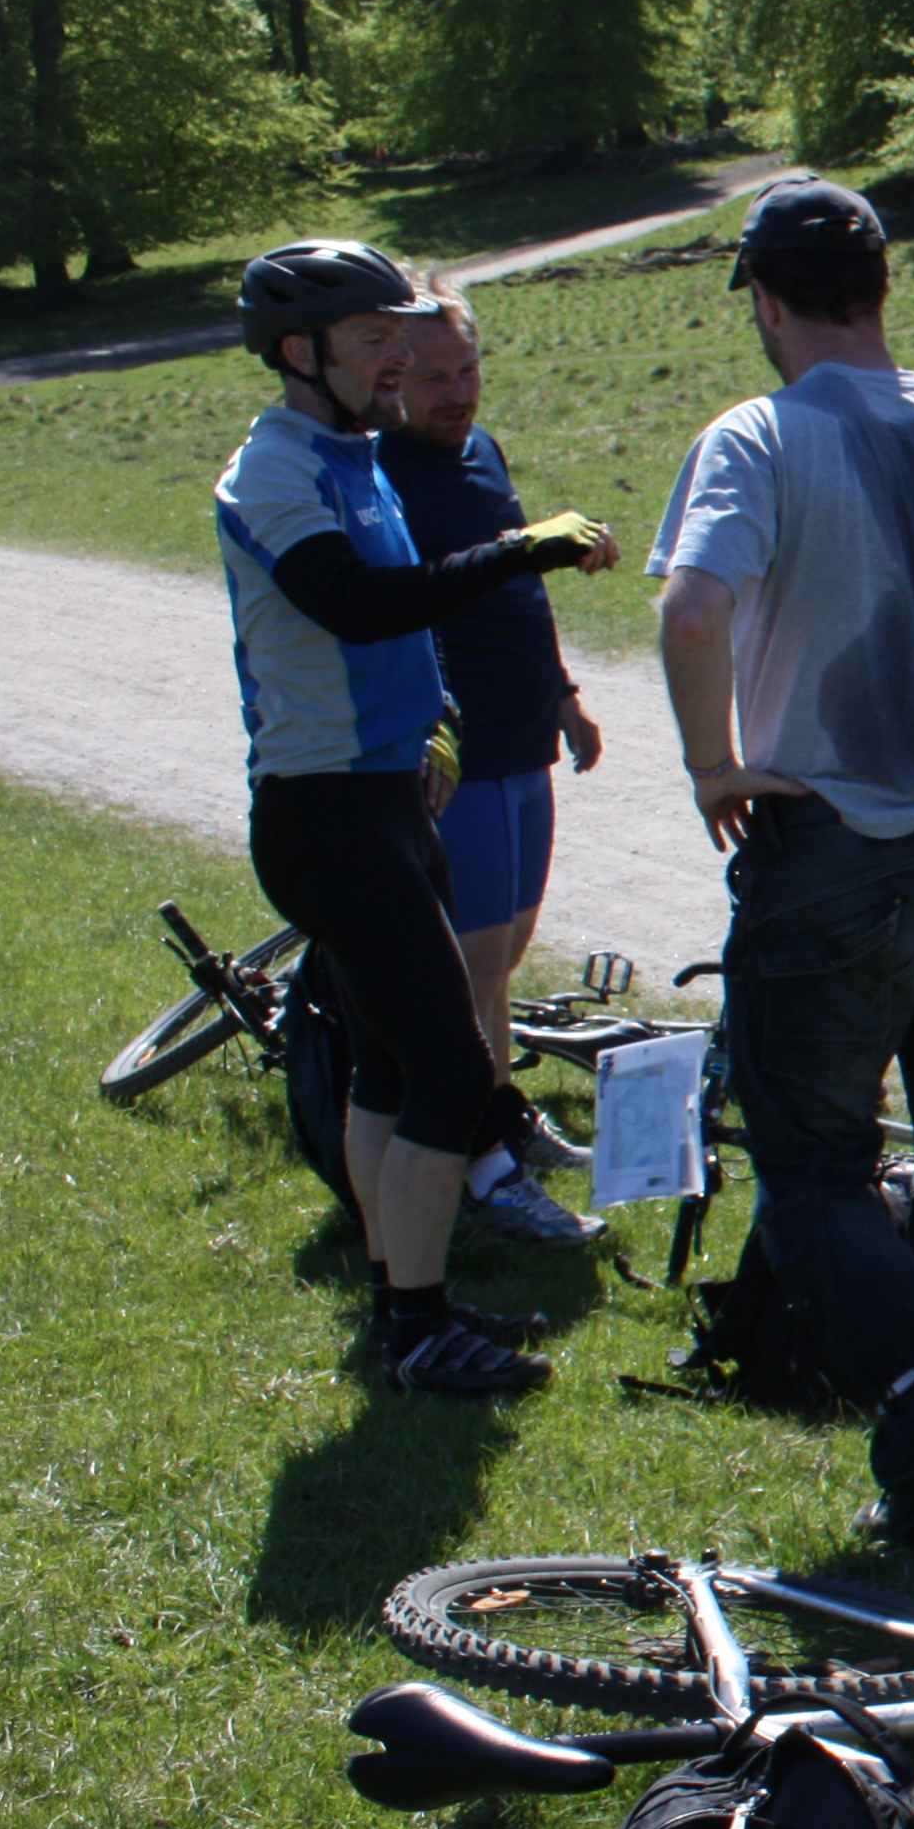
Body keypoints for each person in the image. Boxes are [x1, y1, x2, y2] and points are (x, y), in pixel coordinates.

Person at [650, 177, 914, 1547]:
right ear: (885, 288)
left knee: (818, 1163)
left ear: (764, 300)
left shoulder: (757, 436)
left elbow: (695, 603)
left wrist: (714, 764)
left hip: (829, 843)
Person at [215, 239, 619, 1394]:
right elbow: (352, 601)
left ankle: (407, 1298)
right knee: (448, 1066)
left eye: (403, 334)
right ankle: (419, 1326)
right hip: (327, 815)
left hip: (388, 794)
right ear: (301, 354)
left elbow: (399, 625)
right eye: (371, 340)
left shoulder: (351, 453)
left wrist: (437, 712)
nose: (398, 359)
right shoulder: (275, 472)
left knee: (390, 1068)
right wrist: (519, 550)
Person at [377, 289, 609, 1227]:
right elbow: (392, 613)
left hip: (523, 733)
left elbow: (522, 590)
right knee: (471, 958)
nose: (455, 393)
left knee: (503, 952)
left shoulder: (483, 453)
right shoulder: (382, 473)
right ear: (393, 376)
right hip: (457, 749)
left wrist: (564, 695)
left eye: (466, 371)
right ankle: (478, 1162)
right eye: (432, 377)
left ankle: (500, 1115)